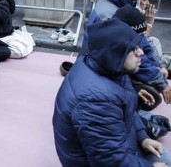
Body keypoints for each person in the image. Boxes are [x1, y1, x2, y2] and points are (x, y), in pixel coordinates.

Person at [53, 18, 171, 166]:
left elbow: (126, 110)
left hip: (118, 147)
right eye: (133, 49)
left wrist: (142, 137)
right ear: (115, 53)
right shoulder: (96, 100)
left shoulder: (108, 68)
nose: (140, 52)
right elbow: (109, 161)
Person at [82, 0, 171, 105]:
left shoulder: (118, 3)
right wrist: (159, 81)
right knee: (150, 97)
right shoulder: (110, 15)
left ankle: (161, 67)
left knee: (153, 43)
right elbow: (133, 51)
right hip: (102, 68)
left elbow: (141, 42)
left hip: (105, 63)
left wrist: (157, 66)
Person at [113, 5, 170, 110]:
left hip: (124, 79)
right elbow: (142, 64)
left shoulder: (135, 34)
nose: (140, 51)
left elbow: (146, 49)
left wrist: (158, 66)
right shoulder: (118, 44)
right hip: (118, 84)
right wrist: (160, 82)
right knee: (153, 97)